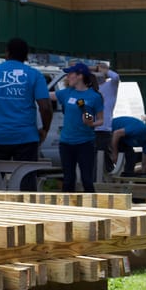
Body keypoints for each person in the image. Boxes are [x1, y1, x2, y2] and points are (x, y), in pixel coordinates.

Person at [0, 37, 53, 191]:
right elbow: (46, 107)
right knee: (26, 185)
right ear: (26, 56)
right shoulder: (35, 75)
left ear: (7, 53)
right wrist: (45, 129)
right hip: (26, 137)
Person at [54, 62, 104, 192]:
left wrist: (92, 123)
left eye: (70, 74)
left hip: (85, 143)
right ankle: (68, 210)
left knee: (87, 180)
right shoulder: (66, 93)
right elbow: (47, 96)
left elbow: (101, 120)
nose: (67, 77)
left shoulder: (94, 96)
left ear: (80, 76)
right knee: (68, 179)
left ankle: (91, 210)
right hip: (66, 143)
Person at [93, 62, 120, 173]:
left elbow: (116, 77)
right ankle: (96, 179)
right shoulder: (91, 89)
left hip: (104, 128)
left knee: (105, 156)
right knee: (93, 158)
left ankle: (110, 178)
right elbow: (83, 107)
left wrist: (105, 70)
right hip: (91, 128)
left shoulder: (110, 86)